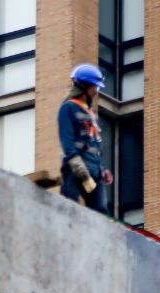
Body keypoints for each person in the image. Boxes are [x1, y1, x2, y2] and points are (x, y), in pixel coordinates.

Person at [57, 64, 113, 214]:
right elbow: (67, 142)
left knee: (101, 213)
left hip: (95, 171)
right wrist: (80, 170)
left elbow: (94, 144)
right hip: (75, 169)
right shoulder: (67, 108)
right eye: (95, 87)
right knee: (70, 206)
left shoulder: (90, 114)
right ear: (84, 86)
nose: (96, 91)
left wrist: (103, 169)